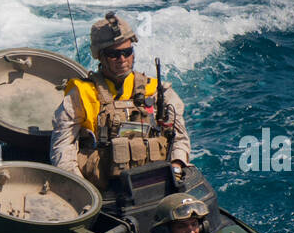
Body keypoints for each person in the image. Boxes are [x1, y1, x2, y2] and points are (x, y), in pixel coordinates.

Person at [50, 12, 190, 189]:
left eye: (127, 52)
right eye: (113, 54)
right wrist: (81, 189)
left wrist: (176, 166)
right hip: (104, 189)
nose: (122, 59)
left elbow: (179, 137)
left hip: (154, 181)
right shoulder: (81, 94)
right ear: (100, 56)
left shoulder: (156, 90)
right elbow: (63, 149)